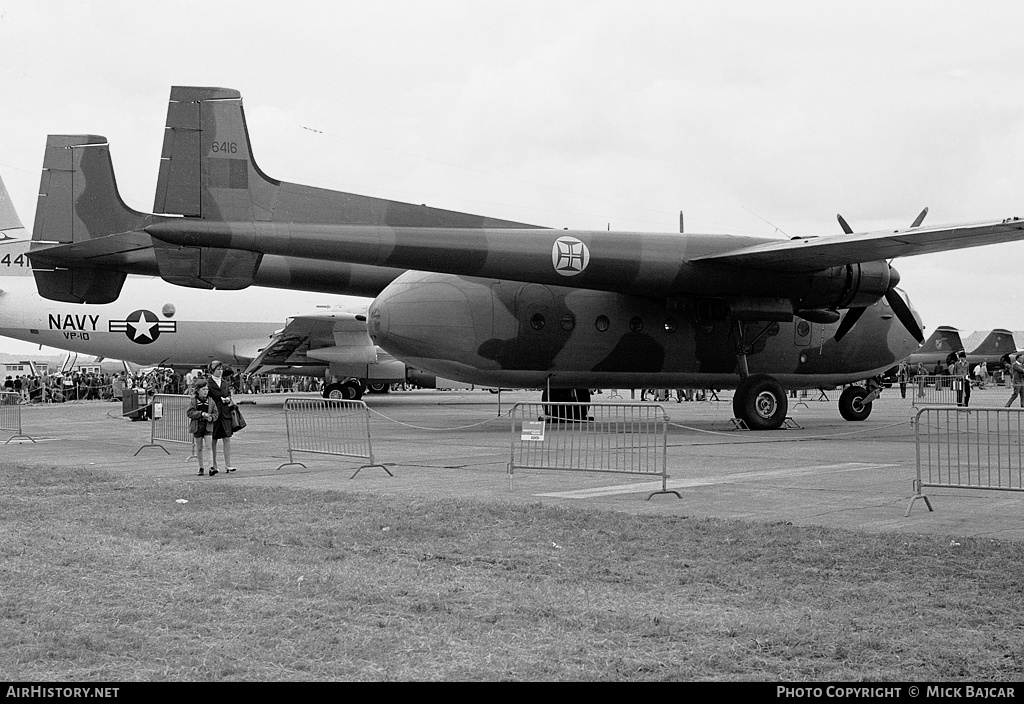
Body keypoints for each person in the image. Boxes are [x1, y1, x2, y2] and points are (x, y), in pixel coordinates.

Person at [206, 360, 237, 473]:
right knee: (213, 439)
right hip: (214, 413)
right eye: (218, 369)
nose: (220, 371)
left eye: (221, 369)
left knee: (227, 438)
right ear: (212, 371)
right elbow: (207, 397)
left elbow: (228, 393)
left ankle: (228, 464)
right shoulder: (208, 383)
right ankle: (214, 464)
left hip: (225, 412)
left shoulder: (225, 383)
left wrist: (228, 398)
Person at [186, 380, 219, 476]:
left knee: (209, 446)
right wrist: (201, 414)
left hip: (208, 426)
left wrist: (211, 418)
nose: (205, 391)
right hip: (197, 426)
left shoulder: (211, 401)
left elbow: (216, 413)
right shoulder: (194, 401)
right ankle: (201, 467)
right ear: (198, 390)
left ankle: (211, 466)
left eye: (207, 389)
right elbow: (189, 413)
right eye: (203, 389)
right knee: (199, 447)